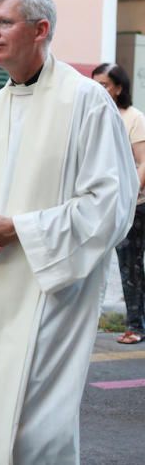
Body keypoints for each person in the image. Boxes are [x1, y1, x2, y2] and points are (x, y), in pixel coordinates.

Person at [0, 0, 138, 464]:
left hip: (51, 290)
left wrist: (19, 229)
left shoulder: (87, 102)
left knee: (36, 431)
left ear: (41, 29)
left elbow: (111, 204)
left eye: (3, 22)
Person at [92, 62, 145, 344]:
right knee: (117, 266)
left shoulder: (133, 118)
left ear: (118, 88)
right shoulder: (95, 115)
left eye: (104, 85)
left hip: (134, 206)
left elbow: (143, 161)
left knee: (131, 267)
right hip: (104, 206)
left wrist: (129, 193)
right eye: (95, 84)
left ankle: (136, 327)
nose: (97, 90)